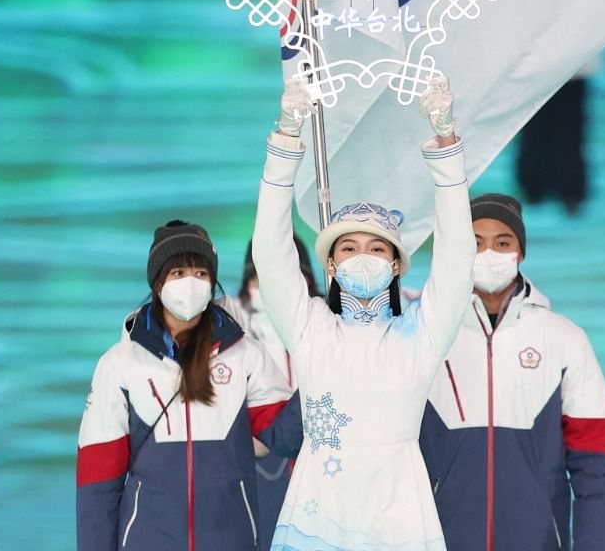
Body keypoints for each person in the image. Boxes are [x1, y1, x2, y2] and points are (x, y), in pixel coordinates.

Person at [251, 74, 476, 550]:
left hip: (400, 516)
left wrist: (447, 146)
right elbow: (270, 251)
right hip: (318, 516)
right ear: (330, 265)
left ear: (397, 264)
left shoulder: (424, 332)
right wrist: (286, 139)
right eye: (348, 248)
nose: (363, 256)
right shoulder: (311, 328)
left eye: (377, 248)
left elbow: (457, 254)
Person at [420, 193, 605, 550]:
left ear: (520, 252)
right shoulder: (422, 334)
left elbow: (597, 461)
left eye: (502, 242)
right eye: (476, 242)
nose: (489, 253)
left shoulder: (564, 339)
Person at [76, 220, 294, 551]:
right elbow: (98, 478)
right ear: (158, 282)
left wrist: (323, 378)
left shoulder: (245, 355)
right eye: (178, 273)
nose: (190, 284)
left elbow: (281, 435)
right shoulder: (120, 364)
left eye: (201, 274)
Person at [232, 237, 321, 548]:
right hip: (260, 470)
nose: (277, 287)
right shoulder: (228, 333)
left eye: (294, 275)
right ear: (249, 282)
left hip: (325, 471)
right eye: (262, 276)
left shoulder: (330, 326)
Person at [516, 58, 600, 215]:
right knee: (538, 125)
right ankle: (539, 187)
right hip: (540, 65)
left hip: (565, 64)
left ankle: (562, 189)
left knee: (563, 127)